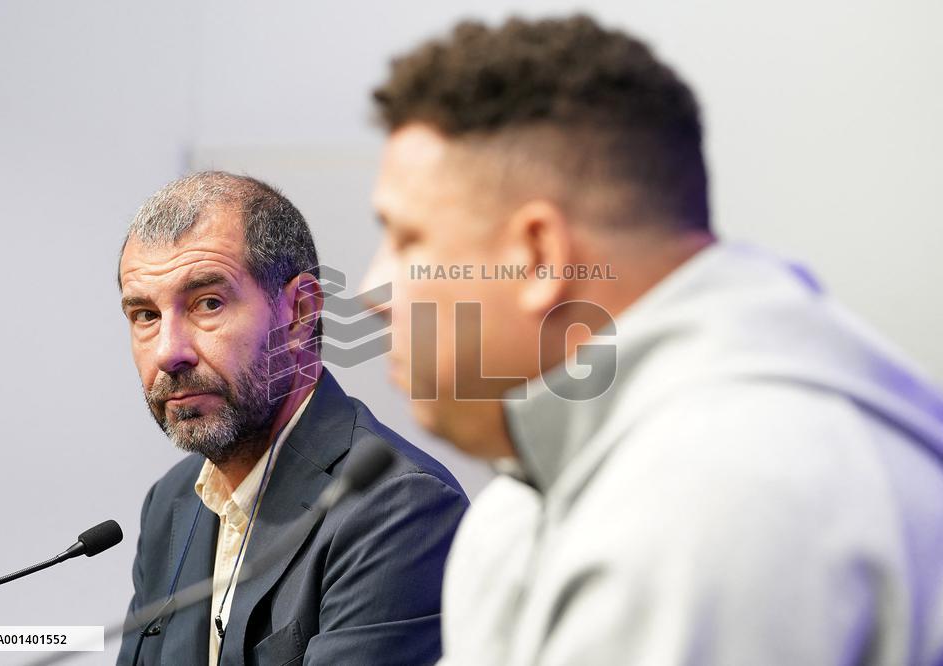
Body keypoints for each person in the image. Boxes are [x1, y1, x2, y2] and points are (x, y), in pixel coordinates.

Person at [362, 15, 943, 665]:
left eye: (407, 240)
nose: (373, 288)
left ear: (538, 256)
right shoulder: (524, 510)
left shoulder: (710, 503)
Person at [115, 171, 467, 666]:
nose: (170, 352)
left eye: (208, 304)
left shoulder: (399, 507)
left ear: (301, 311)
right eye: (145, 315)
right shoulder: (171, 501)